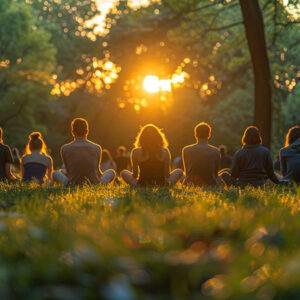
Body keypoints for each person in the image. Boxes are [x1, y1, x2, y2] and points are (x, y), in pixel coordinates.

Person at [53, 118, 115, 186]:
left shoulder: (64, 148)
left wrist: (63, 172)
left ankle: (69, 184)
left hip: (73, 183)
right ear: (87, 132)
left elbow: (68, 172)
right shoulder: (97, 148)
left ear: (72, 132)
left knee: (55, 173)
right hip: (93, 183)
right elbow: (97, 171)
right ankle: (100, 185)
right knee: (111, 172)